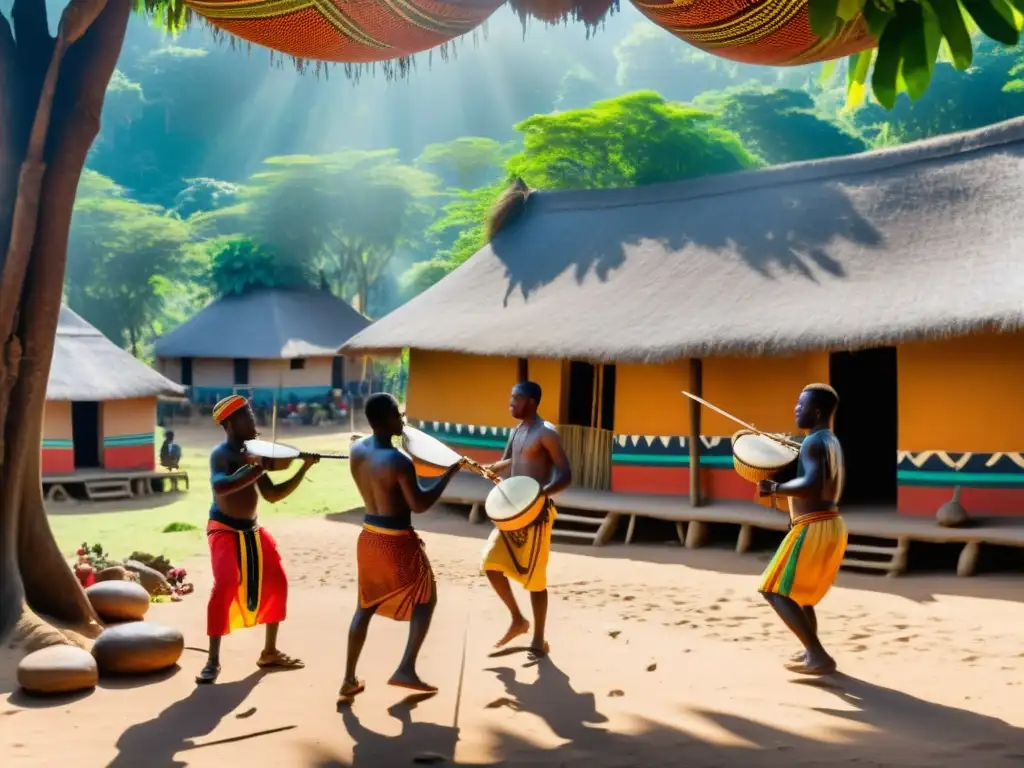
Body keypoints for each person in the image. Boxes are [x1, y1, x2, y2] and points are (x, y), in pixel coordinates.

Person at [340, 392, 464, 702]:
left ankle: (348, 679)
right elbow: (420, 504)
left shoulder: (357, 450)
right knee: (426, 597)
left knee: (364, 606)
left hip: (368, 536)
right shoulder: (399, 460)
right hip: (397, 540)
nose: (402, 419)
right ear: (384, 421)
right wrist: (448, 474)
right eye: (397, 415)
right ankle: (406, 668)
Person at [196, 394, 318, 684]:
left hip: (251, 529)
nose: (253, 422)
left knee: (277, 581)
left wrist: (303, 468)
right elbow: (221, 488)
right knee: (225, 584)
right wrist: (260, 466)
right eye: (246, 417)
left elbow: (273, 495)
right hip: (223, 529)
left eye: (252, 416)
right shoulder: (221, 455)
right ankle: (213, 660)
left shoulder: (255, 453)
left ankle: (270, 651)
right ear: (229, 424)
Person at [756, 383, 848, 676]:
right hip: (832, 525)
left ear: (816, 410)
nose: (796, 409)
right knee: (802, 594)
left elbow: (811, 484)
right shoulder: (830, 440)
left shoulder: (814, 442)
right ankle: (811, 650)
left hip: (813, 526)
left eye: (800, 405)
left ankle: (818, 656)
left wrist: (775, 488)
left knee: (773, 590)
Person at [482, 381, 572, 660]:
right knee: (490, 564)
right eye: (510, 397)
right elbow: (507, 460)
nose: (511, 403)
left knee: (535, 580)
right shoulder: (518, 430)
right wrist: (491, 468)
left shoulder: (547, 433)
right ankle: (518, 620)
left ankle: (538, 638)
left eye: (516, 398)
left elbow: (565, 475)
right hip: (512, 513)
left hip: (537, 515)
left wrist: (539, 496)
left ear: (532, 402)